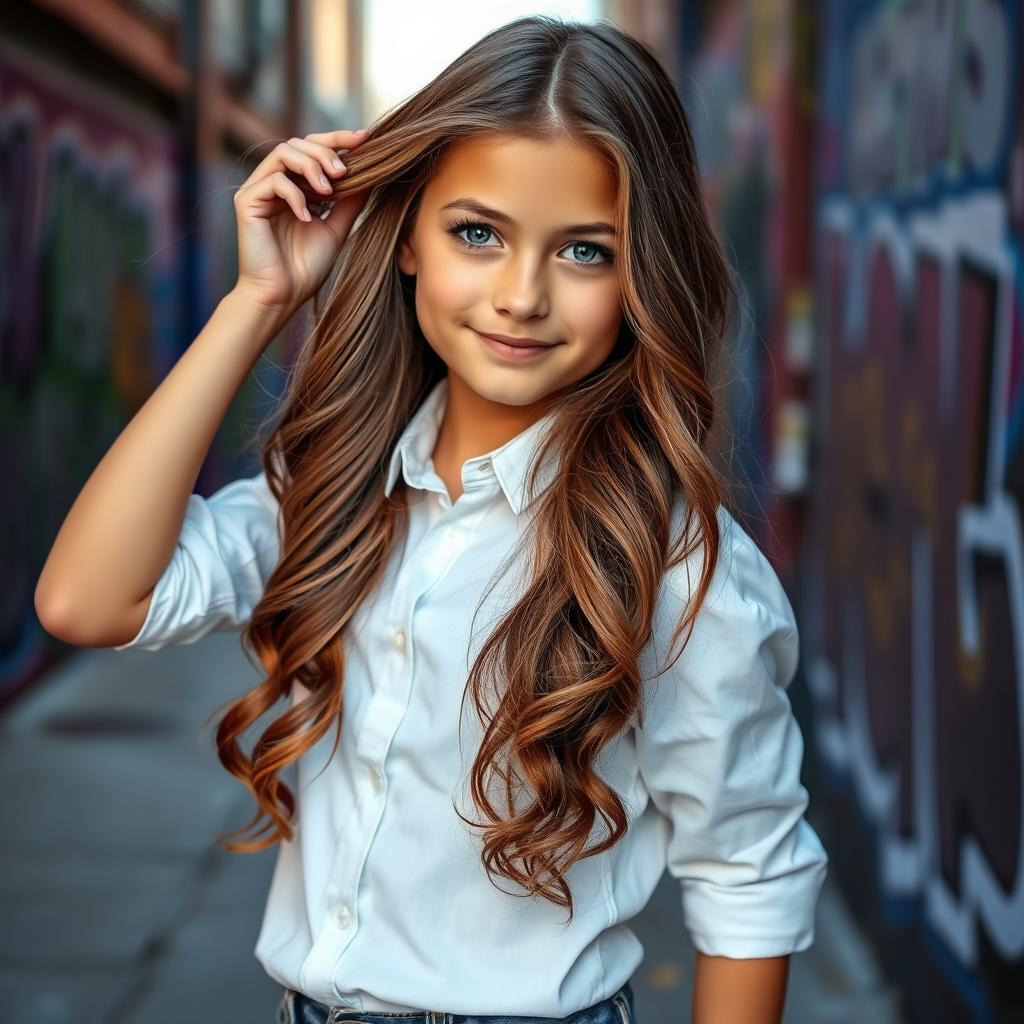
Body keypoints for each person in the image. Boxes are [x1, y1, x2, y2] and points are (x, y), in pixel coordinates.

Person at [35, 15, 828, 1024]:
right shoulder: (329, 496)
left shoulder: (676, 569)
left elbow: (749, 876)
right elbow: (85, 599)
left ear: (641, 276)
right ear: (407, 235)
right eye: (478, 233)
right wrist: (258, 299)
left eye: (585, 250)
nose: (521, 295)